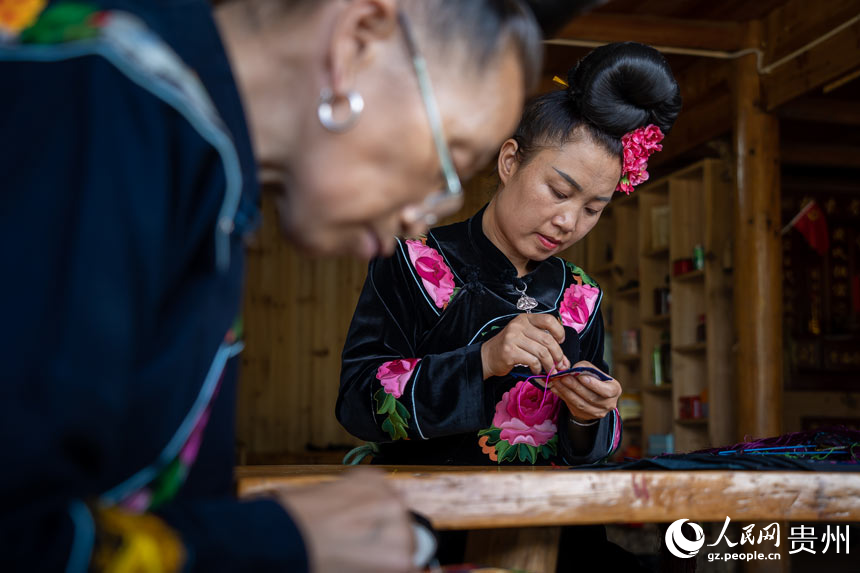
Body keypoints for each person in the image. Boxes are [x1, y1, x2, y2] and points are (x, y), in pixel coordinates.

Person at [0, 0, 547, 571]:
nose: (423, 215)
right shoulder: (102, 103)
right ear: (356, 42)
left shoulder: (204, 169)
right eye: (448, 161)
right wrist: (284, 538)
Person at [337, 41, 681, 468]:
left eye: (593, 208)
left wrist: (589, 414)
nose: (569, 221)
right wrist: (483, 360)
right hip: (434, 519)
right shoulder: (413, 261)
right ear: (510, 161)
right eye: (559, 192)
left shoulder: (580, 296)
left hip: (547, 524)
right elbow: (357, 401)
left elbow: (587, 453)